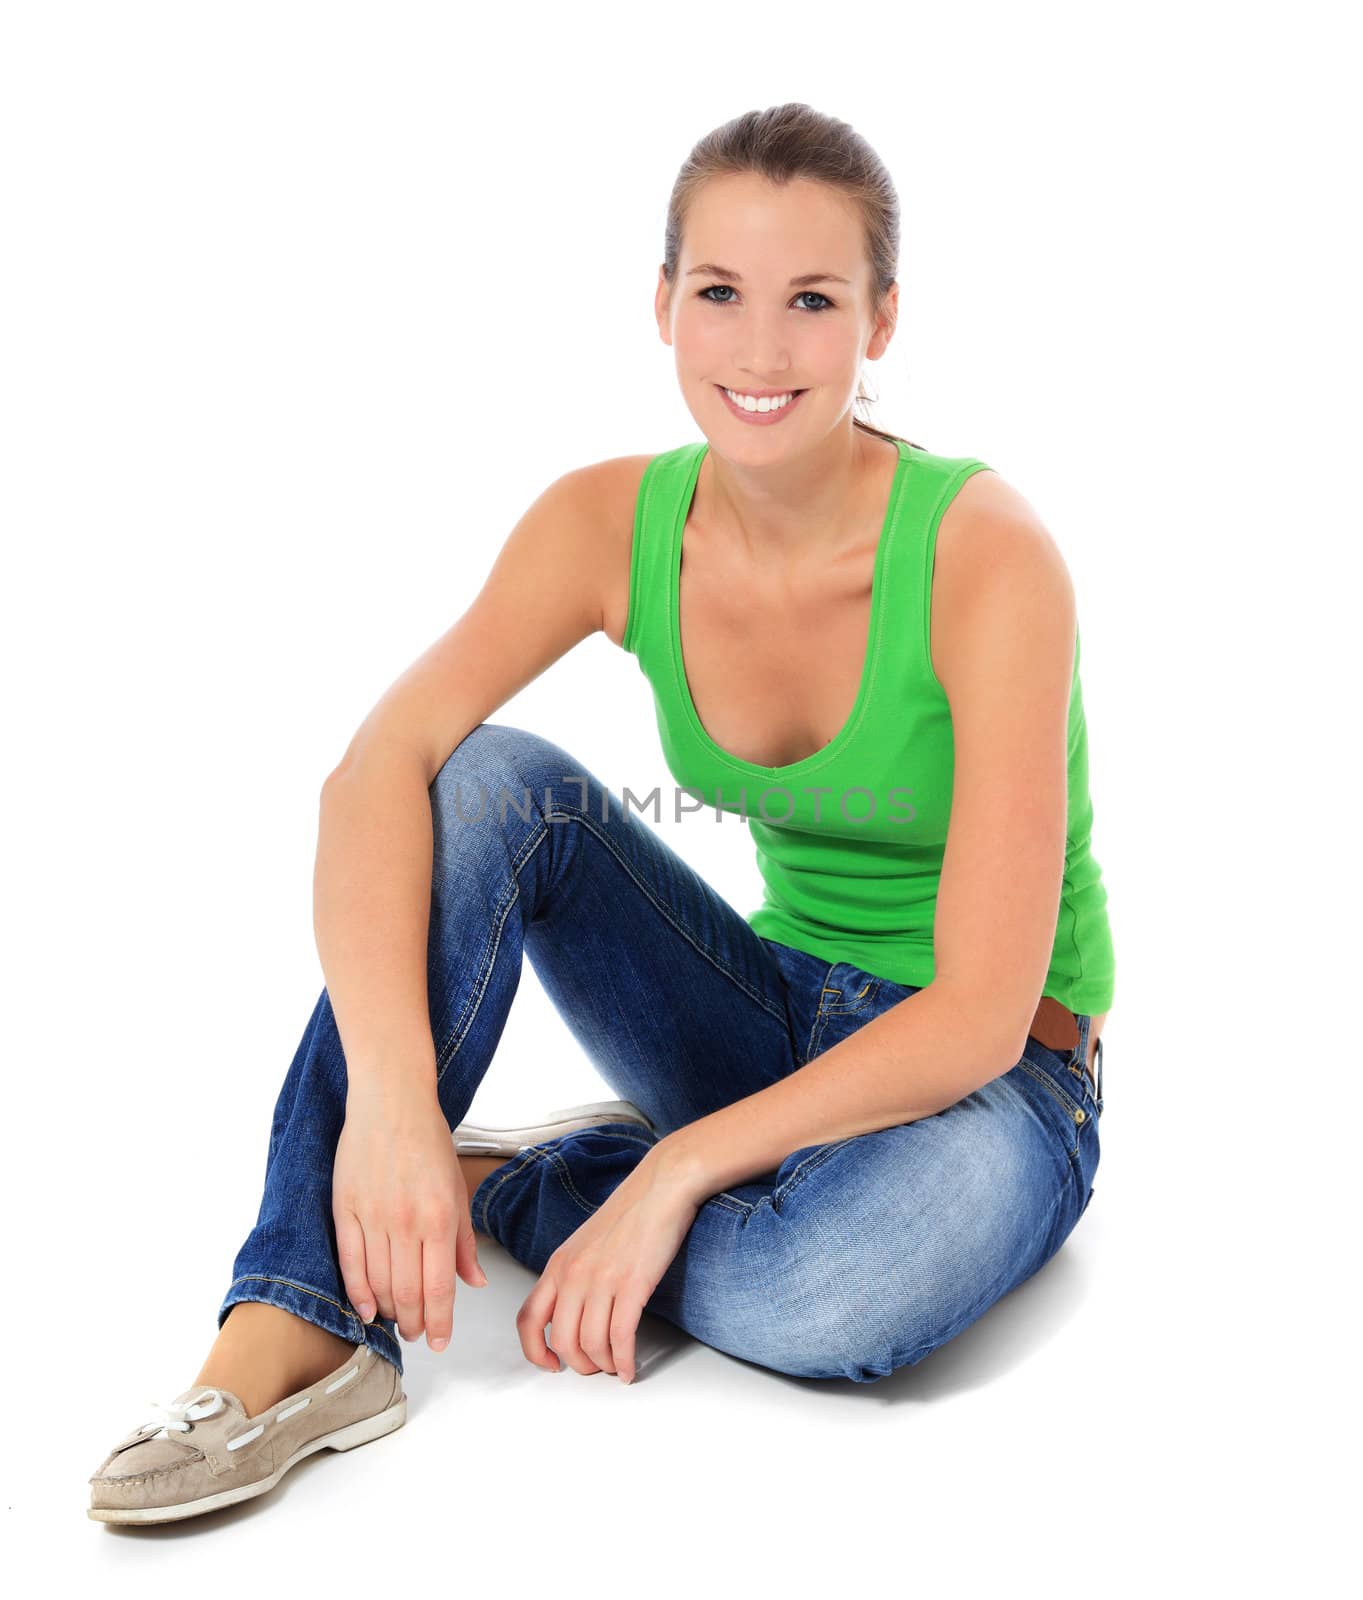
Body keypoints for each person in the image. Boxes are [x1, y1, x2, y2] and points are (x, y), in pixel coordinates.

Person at [88, 101, 1114, 1525]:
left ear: (883, 322)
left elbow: (981, 1013)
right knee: (490, 782)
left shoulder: (988, 556)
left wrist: (676, 1169)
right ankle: (301, 1315)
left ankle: (536, 1182)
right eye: (721, 294)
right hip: (761, 1017)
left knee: (825, 1294)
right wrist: (390, 1101)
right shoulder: (604, 524)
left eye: (813, 300)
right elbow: (372, 774)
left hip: (1000, 1083)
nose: (761, 351)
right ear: (664, 307)